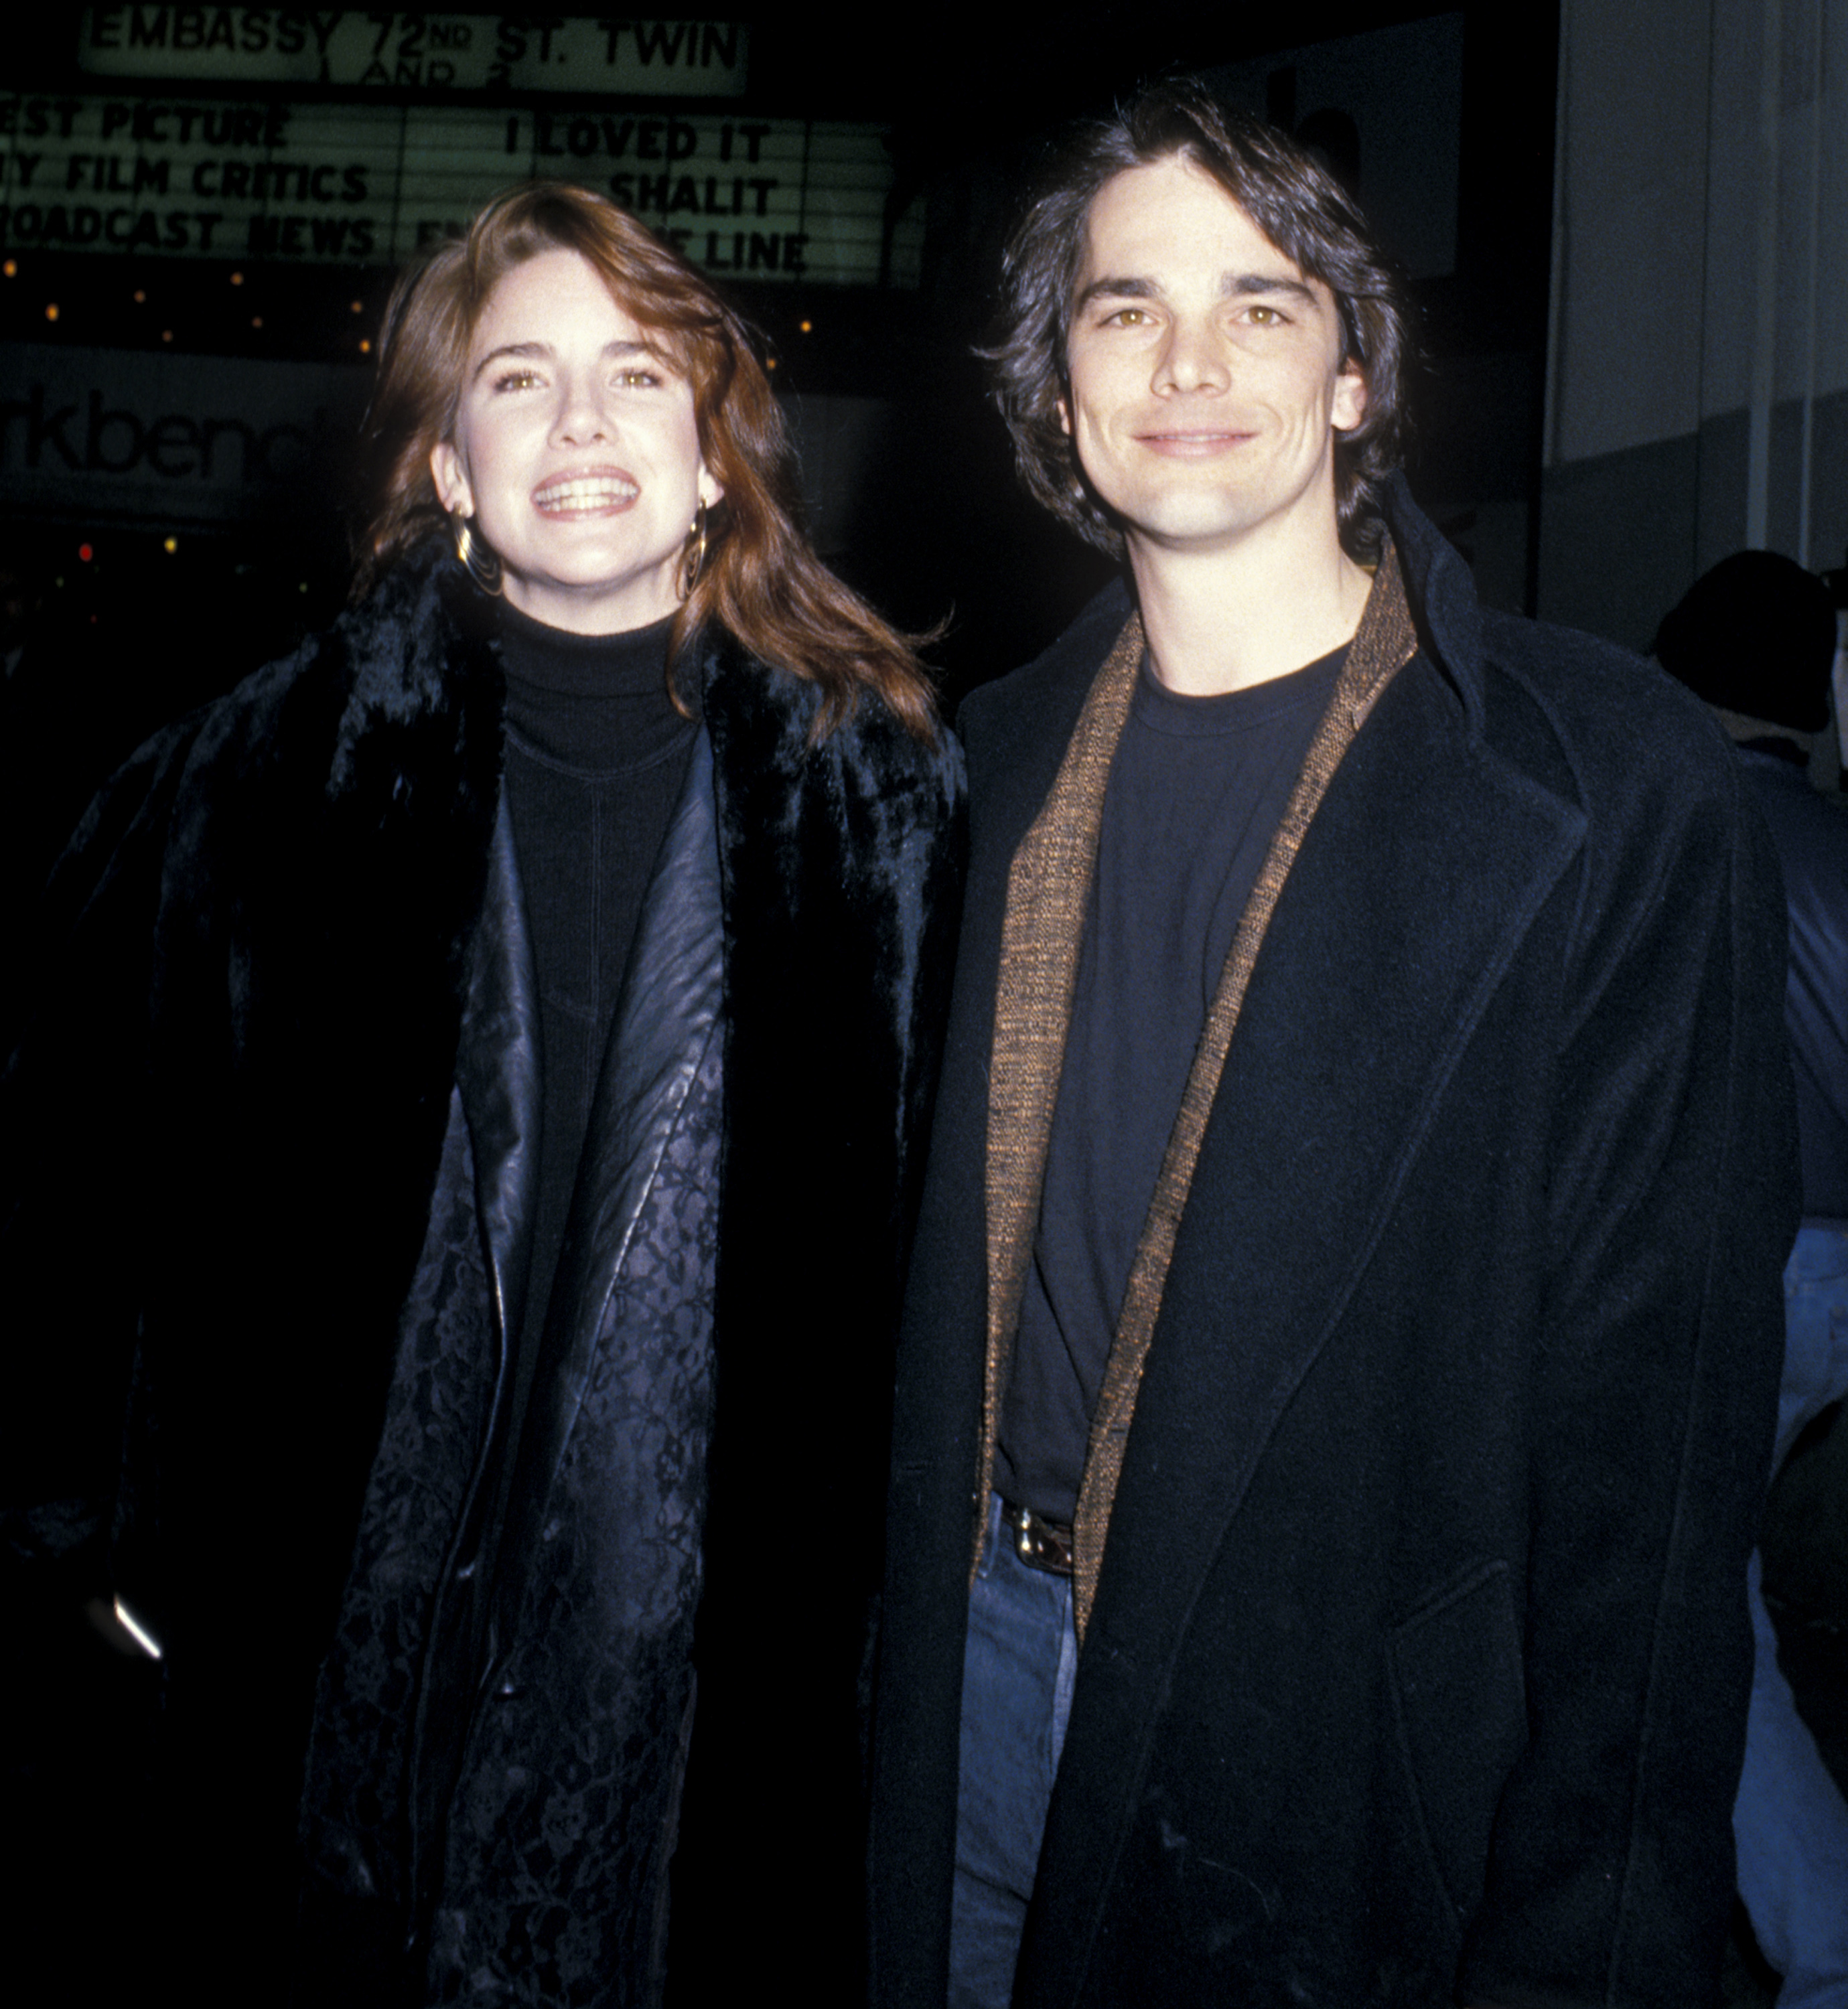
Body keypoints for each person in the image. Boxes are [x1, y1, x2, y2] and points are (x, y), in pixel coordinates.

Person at [867, 78, 1798, 2009]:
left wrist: (1591, 1937)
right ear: (1058, 392)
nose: (1188, 359)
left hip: (1338, 1755)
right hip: (971, 1678)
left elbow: (1655, 1477)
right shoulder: (975, 776)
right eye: (1126, 309)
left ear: (1358, 376)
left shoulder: (1606, 787)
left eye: (1264, 301)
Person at [1, 182, 964, 2006]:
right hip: (311, 1707)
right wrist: (115, 1566)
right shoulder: (249, 777)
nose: (581, 424)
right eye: (518, 381)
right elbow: (64, 1182)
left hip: (714, 1736)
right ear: (451, 465)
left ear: (714, 459)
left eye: (634, 377)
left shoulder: (892, 812)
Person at [1654, 551, 1848, 2009]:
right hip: (1842, 1282)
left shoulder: (1691, 834)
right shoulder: (1839, 842)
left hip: (1748, 1265)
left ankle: (1819, 1938)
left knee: (1690, 1607)